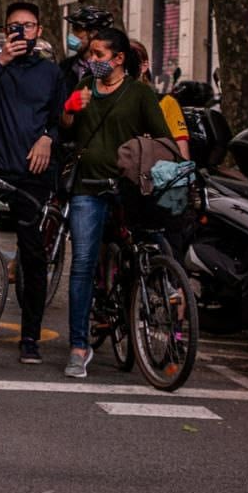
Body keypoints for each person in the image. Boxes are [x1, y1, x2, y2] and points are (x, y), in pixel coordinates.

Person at [60, 27, 171, 379]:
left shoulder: (139, 93)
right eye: (90, 55)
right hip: (86, 189)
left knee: (141, 252)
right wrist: (69, 109)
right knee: (82, 264)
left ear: (119, 59)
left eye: (98, 55)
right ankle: (79, 346)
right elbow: (65, 128)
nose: (92, 60)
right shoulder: (83, 89)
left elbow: (162, 139)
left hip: (127, 189)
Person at [0, 1, 69, 366]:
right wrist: (2, 61)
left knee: (33, 253)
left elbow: (62, 119)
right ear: (5, 31)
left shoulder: (51, 73)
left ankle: (30, 337)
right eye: (14, 26)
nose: (21, 32)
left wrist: (48, 137)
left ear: (39, 30)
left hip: (34, 174)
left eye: (28, 26)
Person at [130, 39, 190, 159]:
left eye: (130, 65)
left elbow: (182, 153)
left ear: (144, 66)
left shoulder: (166, 102)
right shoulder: (109, 100)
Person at [60, 6, 112, 96]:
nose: (72, 34)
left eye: (77, 30)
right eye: (72, 29)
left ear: (93, 34)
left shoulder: (109, 68)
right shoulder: (65, 67)